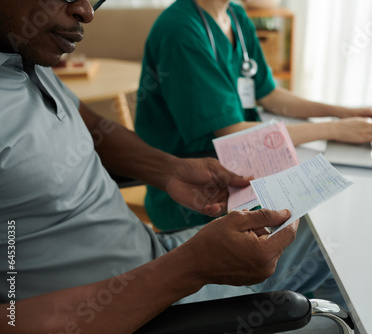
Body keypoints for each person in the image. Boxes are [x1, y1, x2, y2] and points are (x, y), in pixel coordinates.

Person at [0, 1, 335, 332]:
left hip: (156, 254)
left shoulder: (27, 58)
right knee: (333, 259)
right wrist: (188, 270)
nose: (87, 12)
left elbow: (89, 127)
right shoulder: (181, 28)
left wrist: (169, 169)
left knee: (326, 221)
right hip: (140, 308)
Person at [135, 0, 372, 231]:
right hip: (199, 196)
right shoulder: (181, 31)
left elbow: (269, 95)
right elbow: (230, 130)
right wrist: (336, 129)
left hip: (243, 169)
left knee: (334, 205)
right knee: (328, 222)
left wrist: (344, 113)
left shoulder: (236, 18)